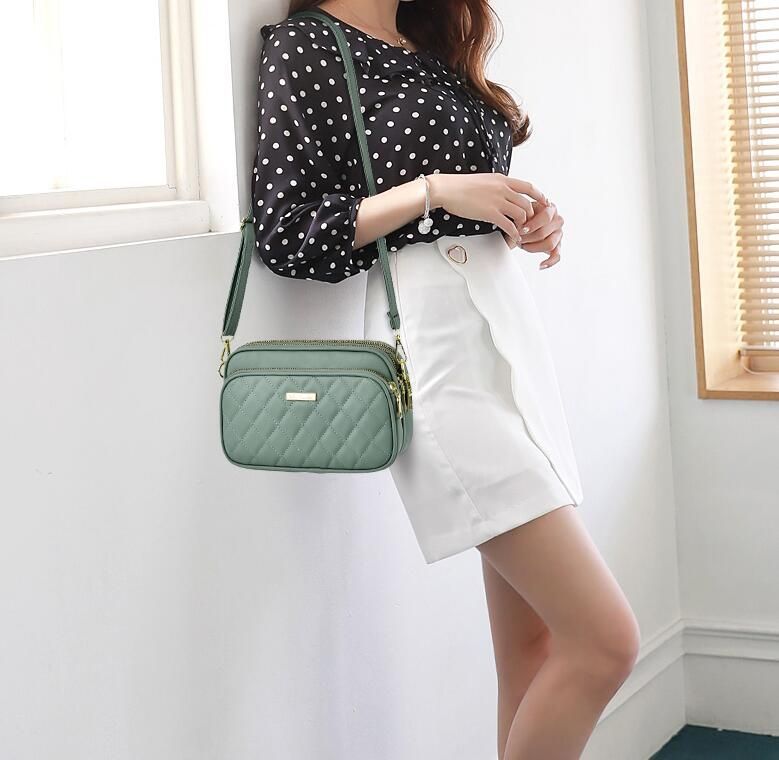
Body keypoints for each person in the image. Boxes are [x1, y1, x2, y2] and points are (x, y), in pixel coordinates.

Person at [252, 1, 641, 756]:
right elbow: (287, 232)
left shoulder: (428, 40)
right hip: (435, 350)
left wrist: (522, 216)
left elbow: (465, 194)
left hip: (507, 330)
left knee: (533, 649)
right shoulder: (307, 47)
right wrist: (434, 191)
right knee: (605, 641)